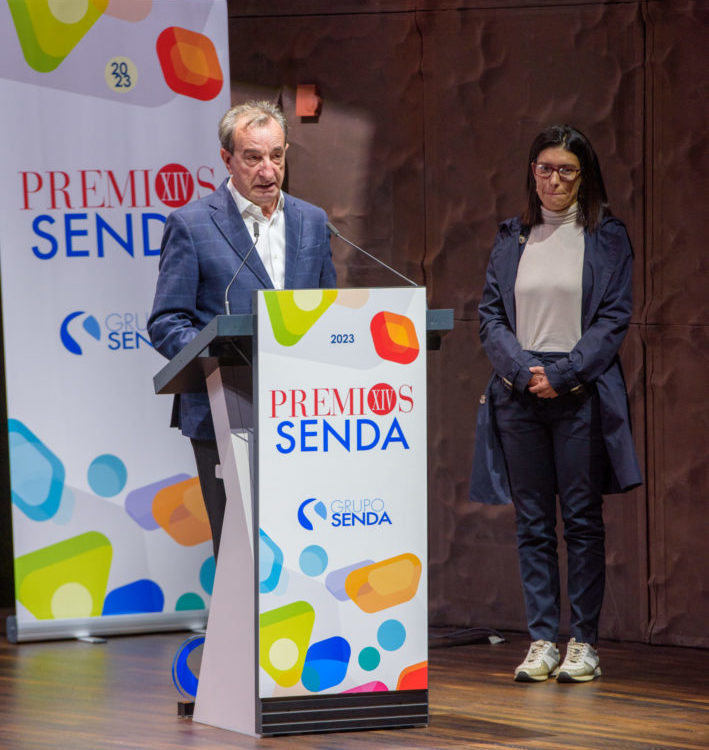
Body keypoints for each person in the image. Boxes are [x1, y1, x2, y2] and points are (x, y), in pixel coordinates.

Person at [470, 125, 641, 683]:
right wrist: (522, 372)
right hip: (519, 392)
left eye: (566, 170)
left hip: (581, 390)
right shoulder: (512, 236)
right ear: (532, 173)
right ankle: (543, 639)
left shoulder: (607, 237)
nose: (554, 180)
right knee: (534, 524)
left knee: (583, 523)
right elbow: (490, 317)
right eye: (545, 168)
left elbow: (613, 319)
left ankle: (584, 644)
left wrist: (564, 373)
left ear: (584, 175)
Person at [148, 100, 336, 558]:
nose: (267, 169)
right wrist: (218, 356)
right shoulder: (192, 225)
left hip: (303, 415)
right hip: (224, 410)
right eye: (253, 156)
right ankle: (243, 633)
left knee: (301, 546)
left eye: (276, 155)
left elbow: (329, 313)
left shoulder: (312, 220)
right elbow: (166, 321)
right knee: (240, 550)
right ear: (227, 159)